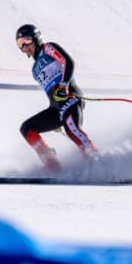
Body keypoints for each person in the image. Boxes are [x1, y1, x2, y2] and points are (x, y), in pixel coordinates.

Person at [15, 24, 97, 172]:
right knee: (27, 128)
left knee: (71, 128)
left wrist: (63, 85)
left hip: (70, 96)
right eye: (20, 44)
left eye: (27, 40)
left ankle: (97, 162)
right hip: (56, 108)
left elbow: (68, 62)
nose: (25, 46)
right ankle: (52, 166)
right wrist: (54, 119)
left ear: (36, 38)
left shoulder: (48, 48)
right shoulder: (34, 70)